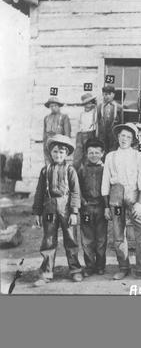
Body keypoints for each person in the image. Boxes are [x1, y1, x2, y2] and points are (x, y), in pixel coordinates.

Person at [101, 122, 141, 280]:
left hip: (133, 196)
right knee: (119, 234)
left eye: (128, 136)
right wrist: (107, 206)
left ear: (133, 139)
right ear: (118, 137)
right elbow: (105, 182)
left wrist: (140, 203)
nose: (124, 139)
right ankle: (123, 267)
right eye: (122, 135)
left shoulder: (138, 156)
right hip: (116, 197)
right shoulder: (110, 156)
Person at [32, 135, 82, 286]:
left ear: (66, 154)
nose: (58, 155)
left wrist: (74, 212)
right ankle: (46, 273)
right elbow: (39, 192)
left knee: (71, 238)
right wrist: (37, 212)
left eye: (61, 152)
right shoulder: (45, 170)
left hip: (65, 207)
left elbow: (75, 192)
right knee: (49, 239)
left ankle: (75, 270)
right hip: (49, 208)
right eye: (55, 152)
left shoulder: (70, 170)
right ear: (50, 153)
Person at [77, 138, 107, 277]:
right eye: (90, 152)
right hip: (87, 208)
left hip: (101, 208)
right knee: (87, 239)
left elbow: (108, 188)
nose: (94, 155)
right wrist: (83, 202)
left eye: (96, 152)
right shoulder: (82, 170)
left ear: (102, 153)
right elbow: (77, 189)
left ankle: (100, 265)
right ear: (86, 154)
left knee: (101, 239)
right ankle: (89, 266)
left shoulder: (105, 169)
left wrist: (106, 206)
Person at [43, 96, 71, 165]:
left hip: (59, 141)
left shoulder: (64, 117)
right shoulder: (46, 118)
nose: (53, 108)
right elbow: (44, 132)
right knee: (48, 161)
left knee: (59, 160)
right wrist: (45, 144)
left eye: (55, 105)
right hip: (48, 142)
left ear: (59, 106)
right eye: (51, 106)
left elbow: (67, 133)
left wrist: (65, 144)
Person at [73, 93, 97, 170]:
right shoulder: (81, 114)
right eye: (86, 103)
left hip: (90, 134)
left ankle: (86, 173)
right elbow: (78, 126)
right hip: (80, 135)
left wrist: (95, 106)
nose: (88, 105)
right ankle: (75, 173)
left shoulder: (94, 112)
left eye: (90, 102)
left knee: (88, 155)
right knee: (78, 155)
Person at [97, 85, 122, 154]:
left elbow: (121, 121)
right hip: (103, 131)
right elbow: (98, 120)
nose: (107, 96)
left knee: (113, 147)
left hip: (113, 131)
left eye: (109, 94)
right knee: (102, 147)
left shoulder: (118, 107)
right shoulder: (100, 106)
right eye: (105, 94)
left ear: (113, 95)